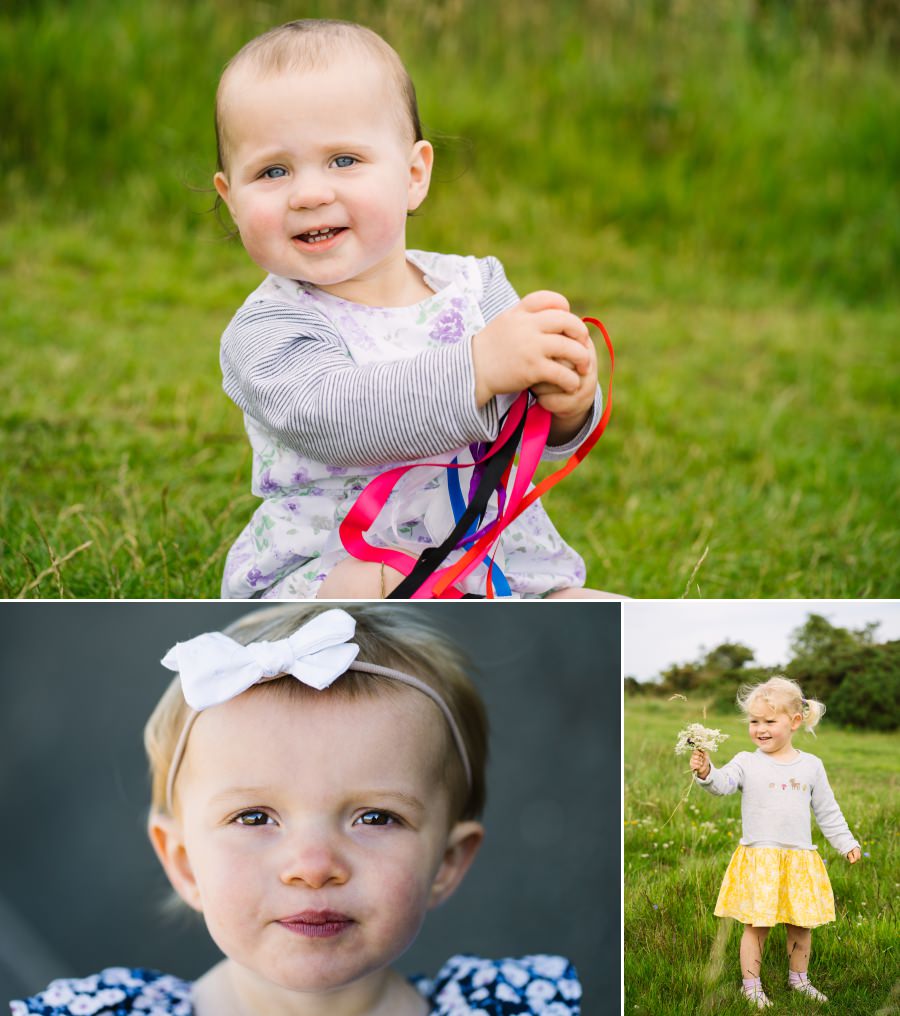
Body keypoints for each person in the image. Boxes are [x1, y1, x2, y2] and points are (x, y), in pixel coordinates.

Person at [11, 605, 582, 1015]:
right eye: (254, 817)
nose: (312, 866)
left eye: (376, 817)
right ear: (185, 863)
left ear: (449, 861)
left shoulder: (512, 1006)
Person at [212, 18, 615, 600]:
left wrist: (568, 402)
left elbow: (526, 429)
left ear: (413, 174)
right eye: (272, 171)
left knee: (598, 615)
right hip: (342, 564)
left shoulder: (477, 286)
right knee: (378, 581)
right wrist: (478, 369)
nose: (308, 193)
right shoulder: (269, 328)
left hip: (490, 556)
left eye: (344, 160)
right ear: (231, 199)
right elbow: (338, 420)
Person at [689, 676, 861, 1010]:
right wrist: (707, 771)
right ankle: (751, 986)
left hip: (799, 859)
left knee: (801, 925)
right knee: (757, 926)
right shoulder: (746, 761)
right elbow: (723, 784)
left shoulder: (811, 766)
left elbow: (827, 810)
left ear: (795, 721)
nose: (760, 728)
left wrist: (846, 842)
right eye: (754, 721)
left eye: (770, 721)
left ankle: (800, 980)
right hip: (760, 858)